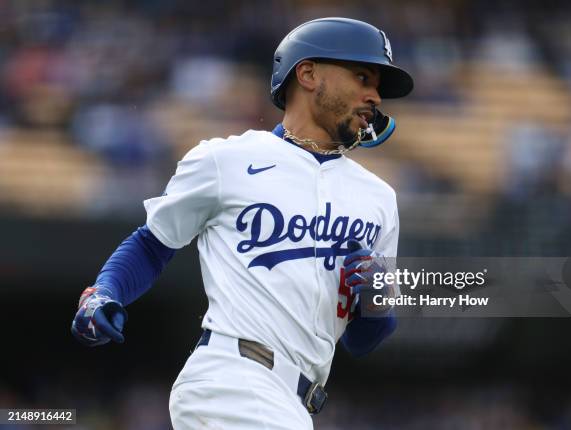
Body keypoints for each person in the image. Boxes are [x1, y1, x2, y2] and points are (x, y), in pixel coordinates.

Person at [71, 17, 413, 430]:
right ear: (307, 73)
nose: (374, 95)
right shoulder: (227, 160)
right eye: (362, 76)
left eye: (378, 86)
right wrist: (105, 291)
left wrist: (376, 305)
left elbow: (363, 340)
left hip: (296, 403)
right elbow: (152, 243)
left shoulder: (379, 199)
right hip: (232, 381)